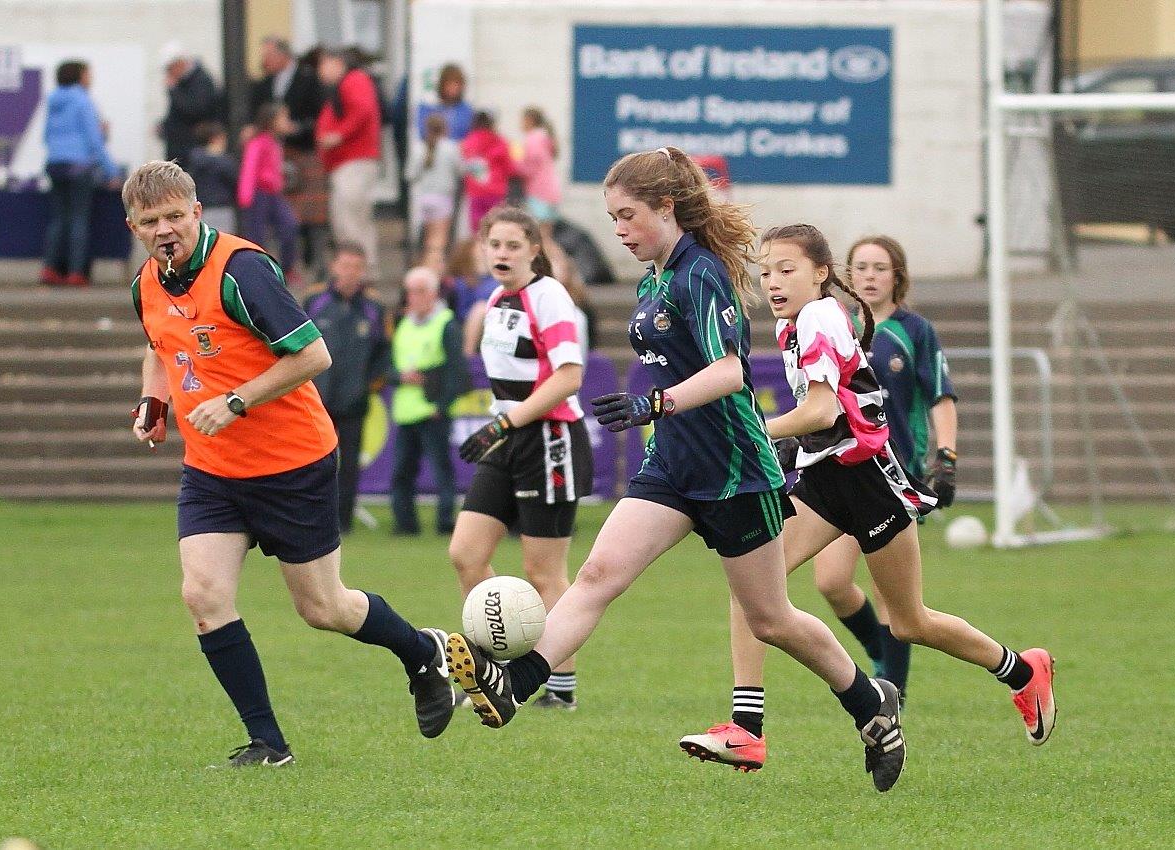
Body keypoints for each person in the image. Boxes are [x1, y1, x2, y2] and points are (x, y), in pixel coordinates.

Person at [444, 149, 906, 792]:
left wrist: (652, 404)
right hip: (673, 466)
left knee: (771, 618)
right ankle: (514, 685)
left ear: (667, 207)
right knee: (600, 575)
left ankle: (870, 704)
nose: (620, 230)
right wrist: (657, 416)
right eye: (612, 219)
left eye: (628, 215)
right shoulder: (653, 279)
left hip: (734, 468)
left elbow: (729, 372)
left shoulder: (701, 274)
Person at [681, 223, 1055, 772]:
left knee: (909, 622)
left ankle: (1023, 671)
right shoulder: (795, 326)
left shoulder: (820, 317)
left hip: (871, 484)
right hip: (827, 478)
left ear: (821, 273)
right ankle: (746, 728)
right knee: (753, 584)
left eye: (787, 270)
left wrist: (754, 431)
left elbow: (823, 411)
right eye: (766, 272)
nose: (774, 282)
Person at [122, 160, 454, 767]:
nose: (165, 229)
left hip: (291, 463)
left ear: (198, 212)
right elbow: (158, 346)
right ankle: (268, 744)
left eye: (175, 215)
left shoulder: (241, 271)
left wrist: (234, 401)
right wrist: (155, 400)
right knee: (203, 595)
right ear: (135, 226)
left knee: (323, 609)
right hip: (213, 471)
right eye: (151, 221)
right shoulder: (147, 282)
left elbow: (314, 356)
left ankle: (421, 651)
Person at [447, 206, 593, 710]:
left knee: (543, 572)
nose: (502, 253)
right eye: (495, 244)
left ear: (535, 249)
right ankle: (492, 667)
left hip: (549, 438)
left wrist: (507, 422)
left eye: (513, 244)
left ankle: (561, 686)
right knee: (466, 554)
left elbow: (569, 377)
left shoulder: (549, 296)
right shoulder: (494, 299)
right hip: (506, 436)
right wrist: (502, 424)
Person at [806, 236, 959, 706]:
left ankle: (894, 690)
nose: (869, 276)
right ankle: (879, 652)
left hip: (895, 473)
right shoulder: (834, 326)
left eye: (880, 268)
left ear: (898, 277)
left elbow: (941, 396)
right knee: (830, 582)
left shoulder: (915, 331)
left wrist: (946, 458)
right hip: (842, 470)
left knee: (892, 597)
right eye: (861, 268)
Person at [303, 244, 390, 534]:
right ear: (334, 266)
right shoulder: (314, 301)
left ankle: (344, 522)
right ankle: (313, 517)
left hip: (354, 399)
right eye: (346, 265)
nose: (351, 272)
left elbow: (383, 352)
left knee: (349, 463)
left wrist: (369, 385)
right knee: (314, 462)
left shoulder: (374, 308)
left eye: (357, 266)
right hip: (318, 398)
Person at [387, 267, 467, 536]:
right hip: (406, 410)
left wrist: (441, 406)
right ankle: (405, 523)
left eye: (420, 291)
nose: (414, 297)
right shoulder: (402, 323)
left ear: (433, 294)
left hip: (432, 410)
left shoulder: (446, 323)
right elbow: (388, 366)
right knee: (401, 472)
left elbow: (457, 370)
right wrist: (400, 377)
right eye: (410, 291)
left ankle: (445, 522)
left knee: (441, 470)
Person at [41, 60, 119, 288]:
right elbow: (94, 141)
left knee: (57, 219)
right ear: (79, 76)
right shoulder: (83, 101)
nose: (90, 78)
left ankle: (50, 268)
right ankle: (76, 272)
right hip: (79, 167)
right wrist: (110, 172)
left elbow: (46, 136)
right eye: (88, 73)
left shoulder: (53, 101)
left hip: (55, 164)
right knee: (78, 219)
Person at [315, 47, 382, 270]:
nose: (320, 72)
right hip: (345, 163)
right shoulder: (344, 85)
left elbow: (362, 111)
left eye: (323, 65)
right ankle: (353, 267)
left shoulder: (354, 80)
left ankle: (360, 268)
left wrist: (338, 135)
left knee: (351, 219)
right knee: (346, 218)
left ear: (336, 63)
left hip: (354, 160)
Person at [239, 103, 300, 281]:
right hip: (258, 194)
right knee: (256, 235)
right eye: (283, 118)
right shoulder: (258, 142)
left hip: (274, 194)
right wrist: (246, 195)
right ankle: (257, 271)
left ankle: (287, 268)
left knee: (289, 225)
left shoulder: (275, 141)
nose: (287, 122)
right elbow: (249, 168)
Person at [405, 112, 463, 274]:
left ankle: (424, 267)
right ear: (445, 128)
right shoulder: (450, 147)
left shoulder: (419, 148)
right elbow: (460, 170)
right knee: (438, 241)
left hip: (424, 198)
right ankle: (433, 272)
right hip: (443, 198)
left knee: (428, 239)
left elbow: (410, 174)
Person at [249, 37, 325, 155]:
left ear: (284, 55)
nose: (265, 60)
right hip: (271, 150)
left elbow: (319, 114)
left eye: (269, 55)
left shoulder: (309, 79)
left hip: (302, 149)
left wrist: (297, 127)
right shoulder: (264, 83)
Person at [157, 42, 222, 168]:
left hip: (191, 150)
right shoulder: (183, 82)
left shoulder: (201, 81)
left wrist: (173, 90)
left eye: (170, 69)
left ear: (179, 63)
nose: (169, 74)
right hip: (180, 150)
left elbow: (195, 110)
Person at [460, 111, 513, 233]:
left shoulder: (468, 142)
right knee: (496, 229)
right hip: (496, 192)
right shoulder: (500, 141)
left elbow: (464, 166)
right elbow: (509, 168)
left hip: (476, 192)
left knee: (478, 231)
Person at [444, 240, 499, 355]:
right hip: (461, 321)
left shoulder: (498, 280)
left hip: (491, 323)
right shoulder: (458, 281)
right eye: (481, 248)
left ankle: (467, 355)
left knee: (480, 308)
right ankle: (466, 356)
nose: (485, 252)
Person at [187, 122, 238, 234]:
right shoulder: (225, 161)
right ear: (216, 138)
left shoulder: (195, 159)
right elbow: (234, 182)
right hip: (222, 207)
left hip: (202, 208)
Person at [515, 107, 561, 230]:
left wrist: (514, 166)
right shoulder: (545, 138)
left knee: (540, 236)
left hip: (539, 193)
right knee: (547, 237)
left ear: (530, 120)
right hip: (551, 192)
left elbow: (531, 166)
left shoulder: (533, 139)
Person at [416, 63, 473, 142]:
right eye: (449, 83)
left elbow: (469, 136)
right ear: (442, 84)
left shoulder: (466, 110)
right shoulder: (428, 106)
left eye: (456, 84)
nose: (453, 88)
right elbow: (423, 132)